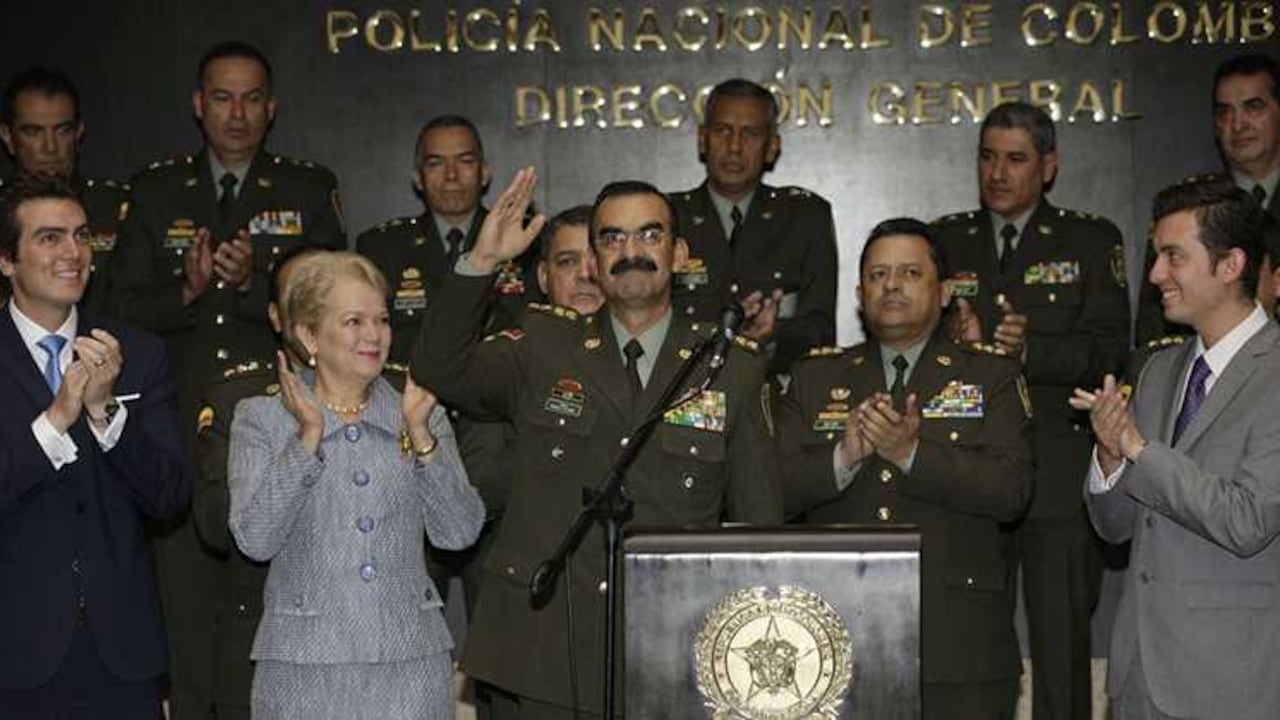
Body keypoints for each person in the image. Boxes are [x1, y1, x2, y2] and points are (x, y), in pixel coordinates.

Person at [413, 170, 782, 719]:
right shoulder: (543, 343)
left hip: (674, 649)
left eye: (649, 235)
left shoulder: (732, 367)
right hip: (545, 648)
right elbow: (439, 368)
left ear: (680, 254)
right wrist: (481, 262)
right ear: (592, 261)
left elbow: (761, 533)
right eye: (612, 239)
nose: (630, 251)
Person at [110, 40, 346, 718]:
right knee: (184, 612)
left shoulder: (306, 188)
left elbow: (340, 308)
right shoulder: (155, 191)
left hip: (278, 429)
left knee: (274, 613)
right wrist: (184, 294)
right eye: (222, 97)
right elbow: (114, 311)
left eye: (250, 98)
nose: (236, 113)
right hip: (179, 430)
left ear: (271, 109)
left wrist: (252, 289)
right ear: (197, 105)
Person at [778, 218, 1032, 719]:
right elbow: (768, 491)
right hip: (833, 641)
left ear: (943, 293)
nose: (891, 285)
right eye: (878, 275)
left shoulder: (992, 374)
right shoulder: (814, 376)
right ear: (859, 292)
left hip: (958, 646)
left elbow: (1012, 490)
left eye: (910, 273)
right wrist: (842, 459)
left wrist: (910, 453)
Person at [933, 101, 1130, 720]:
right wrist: (952, 345)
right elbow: (906, 349)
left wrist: (1031, 351)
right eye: (987, 157)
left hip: (1057, 476)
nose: (997, 172)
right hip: (970, 475)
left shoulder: (1091, 239)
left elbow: (1110, 351)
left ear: (1049, 166)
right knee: (968, 651)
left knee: (1060, 651)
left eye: (1015, 159)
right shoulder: (945, 239)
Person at [228, 251, 483, 720]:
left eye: (382, 319)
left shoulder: (419, 410)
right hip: (303, 668)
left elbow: (460, 532)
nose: (374, 334)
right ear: (309, 335)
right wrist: (307, 436)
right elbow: (255, 538)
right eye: (353, 321)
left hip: (411, 664)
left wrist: (423, 436)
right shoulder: (261, 418)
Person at [1073, 179, 1280, 720]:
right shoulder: (1161, 369)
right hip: (1137, 677)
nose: (1155, 275)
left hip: (1229, 684)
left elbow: (1247, 520)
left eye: (1173, 257)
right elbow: (1116, 529)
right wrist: (1110, 459)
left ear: (1231, 264)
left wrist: (1138, 449)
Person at [0, 174, 189, 716]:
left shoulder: (138, 352)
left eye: (82, 236)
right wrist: (57, 420)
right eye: (50, 238)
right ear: (7, 261)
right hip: (15, 655)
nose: (73, 253)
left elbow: (171, 496)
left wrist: (107, 414)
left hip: (122, 655)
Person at [191, 244, 323, 720]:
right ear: (275, 315)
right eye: (300, 295)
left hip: (370, 654)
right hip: (262, 643)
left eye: (327, 292)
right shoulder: (239, 399)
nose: (314, 308)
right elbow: (213, 523)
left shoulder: (393, 395)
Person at [670, 78, 837, 375]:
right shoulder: (670, 217)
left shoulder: (805, 216)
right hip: (685, 388)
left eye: (750, 133)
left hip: (775, 392)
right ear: (702, 139)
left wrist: (775, 334)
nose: (734, 147)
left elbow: (821, 330)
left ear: (772, 147)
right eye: (723, 131)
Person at [357, 114, 531, 366]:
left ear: (485, 173)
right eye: (436, 163)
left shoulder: (520, 239)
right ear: (418, 177)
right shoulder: (382, 248)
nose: (451, 175)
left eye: (465, 161)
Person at [0, 68, 129, 315]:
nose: (50, 148)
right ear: (8, 136)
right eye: (33, 131)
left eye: (62, 130)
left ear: (79, 132)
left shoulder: (117, 208)